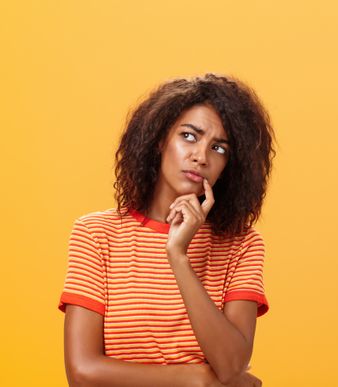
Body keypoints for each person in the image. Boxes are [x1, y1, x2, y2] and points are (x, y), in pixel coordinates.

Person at [58, 73, 276, 386]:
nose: (200, 156)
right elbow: (82, 373)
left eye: (219, 148)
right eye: (189, 136)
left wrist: (178, 256)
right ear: (160, 139)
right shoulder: (96, 234)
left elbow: (230, 365)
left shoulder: (241, 244)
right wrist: (196, 377)